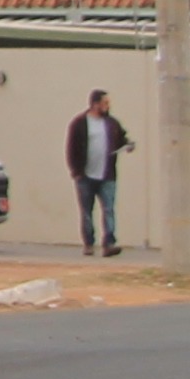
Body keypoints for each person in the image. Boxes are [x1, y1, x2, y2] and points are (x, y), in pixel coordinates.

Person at [67, 90, 128, 258]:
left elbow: (122, 139)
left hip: (107, 175)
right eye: (105, 103)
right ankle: (88, 243)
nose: (108, 106)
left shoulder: (111, 123)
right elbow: (71, 148)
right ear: (95, 104)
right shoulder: (79, 123)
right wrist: (76, 172)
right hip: (85, 176)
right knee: (86, 211)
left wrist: (128, 144)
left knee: (108, 209)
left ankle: (109, 243)